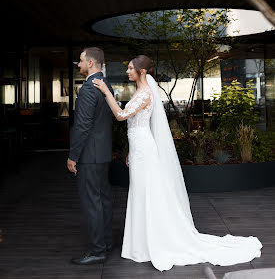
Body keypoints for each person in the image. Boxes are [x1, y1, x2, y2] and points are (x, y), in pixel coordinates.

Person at [93, 55, 262, 272]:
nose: (127, 71)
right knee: (140, 192)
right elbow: (138, 125)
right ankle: (140, 242)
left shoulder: (145, 94)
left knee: (147, 194)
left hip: (144, 151)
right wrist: (129, 150)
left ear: (142, 72)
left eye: (130, 68)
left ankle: (150, 242)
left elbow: (121, 115)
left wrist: (107, 92)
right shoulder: (140, 91)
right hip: (139, 149)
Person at [67, 47, 113, 265]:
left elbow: (82, 127)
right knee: (103, 199)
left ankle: (97, 250)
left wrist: (73, 156)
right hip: (103, 154)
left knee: (92, 202)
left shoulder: (87, 89)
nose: (79, 64)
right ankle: (106, 242)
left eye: (81, 61)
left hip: (89, 156)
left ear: (91, 64)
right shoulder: (105, 85)